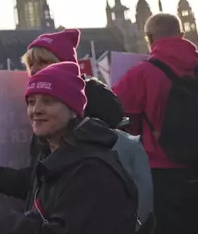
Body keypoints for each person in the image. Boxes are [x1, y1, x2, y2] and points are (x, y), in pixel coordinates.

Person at [20, 28, 153, 231]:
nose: (37, 70)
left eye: (44, 62)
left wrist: (5, 223)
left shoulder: (93, 157)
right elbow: (35, 183)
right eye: (31, 65)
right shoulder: (50, 130)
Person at [0, 62, 138, 233]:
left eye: (48, 101)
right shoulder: (51, 156)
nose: (36, 109)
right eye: (31, 101)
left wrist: (1, 222)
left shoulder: (92, 170)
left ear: (73, 108)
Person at [113, 13, 198, 234]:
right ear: (182, 35)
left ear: (149, 38)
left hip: (162, 174)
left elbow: (112, 113)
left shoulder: (141, 74)